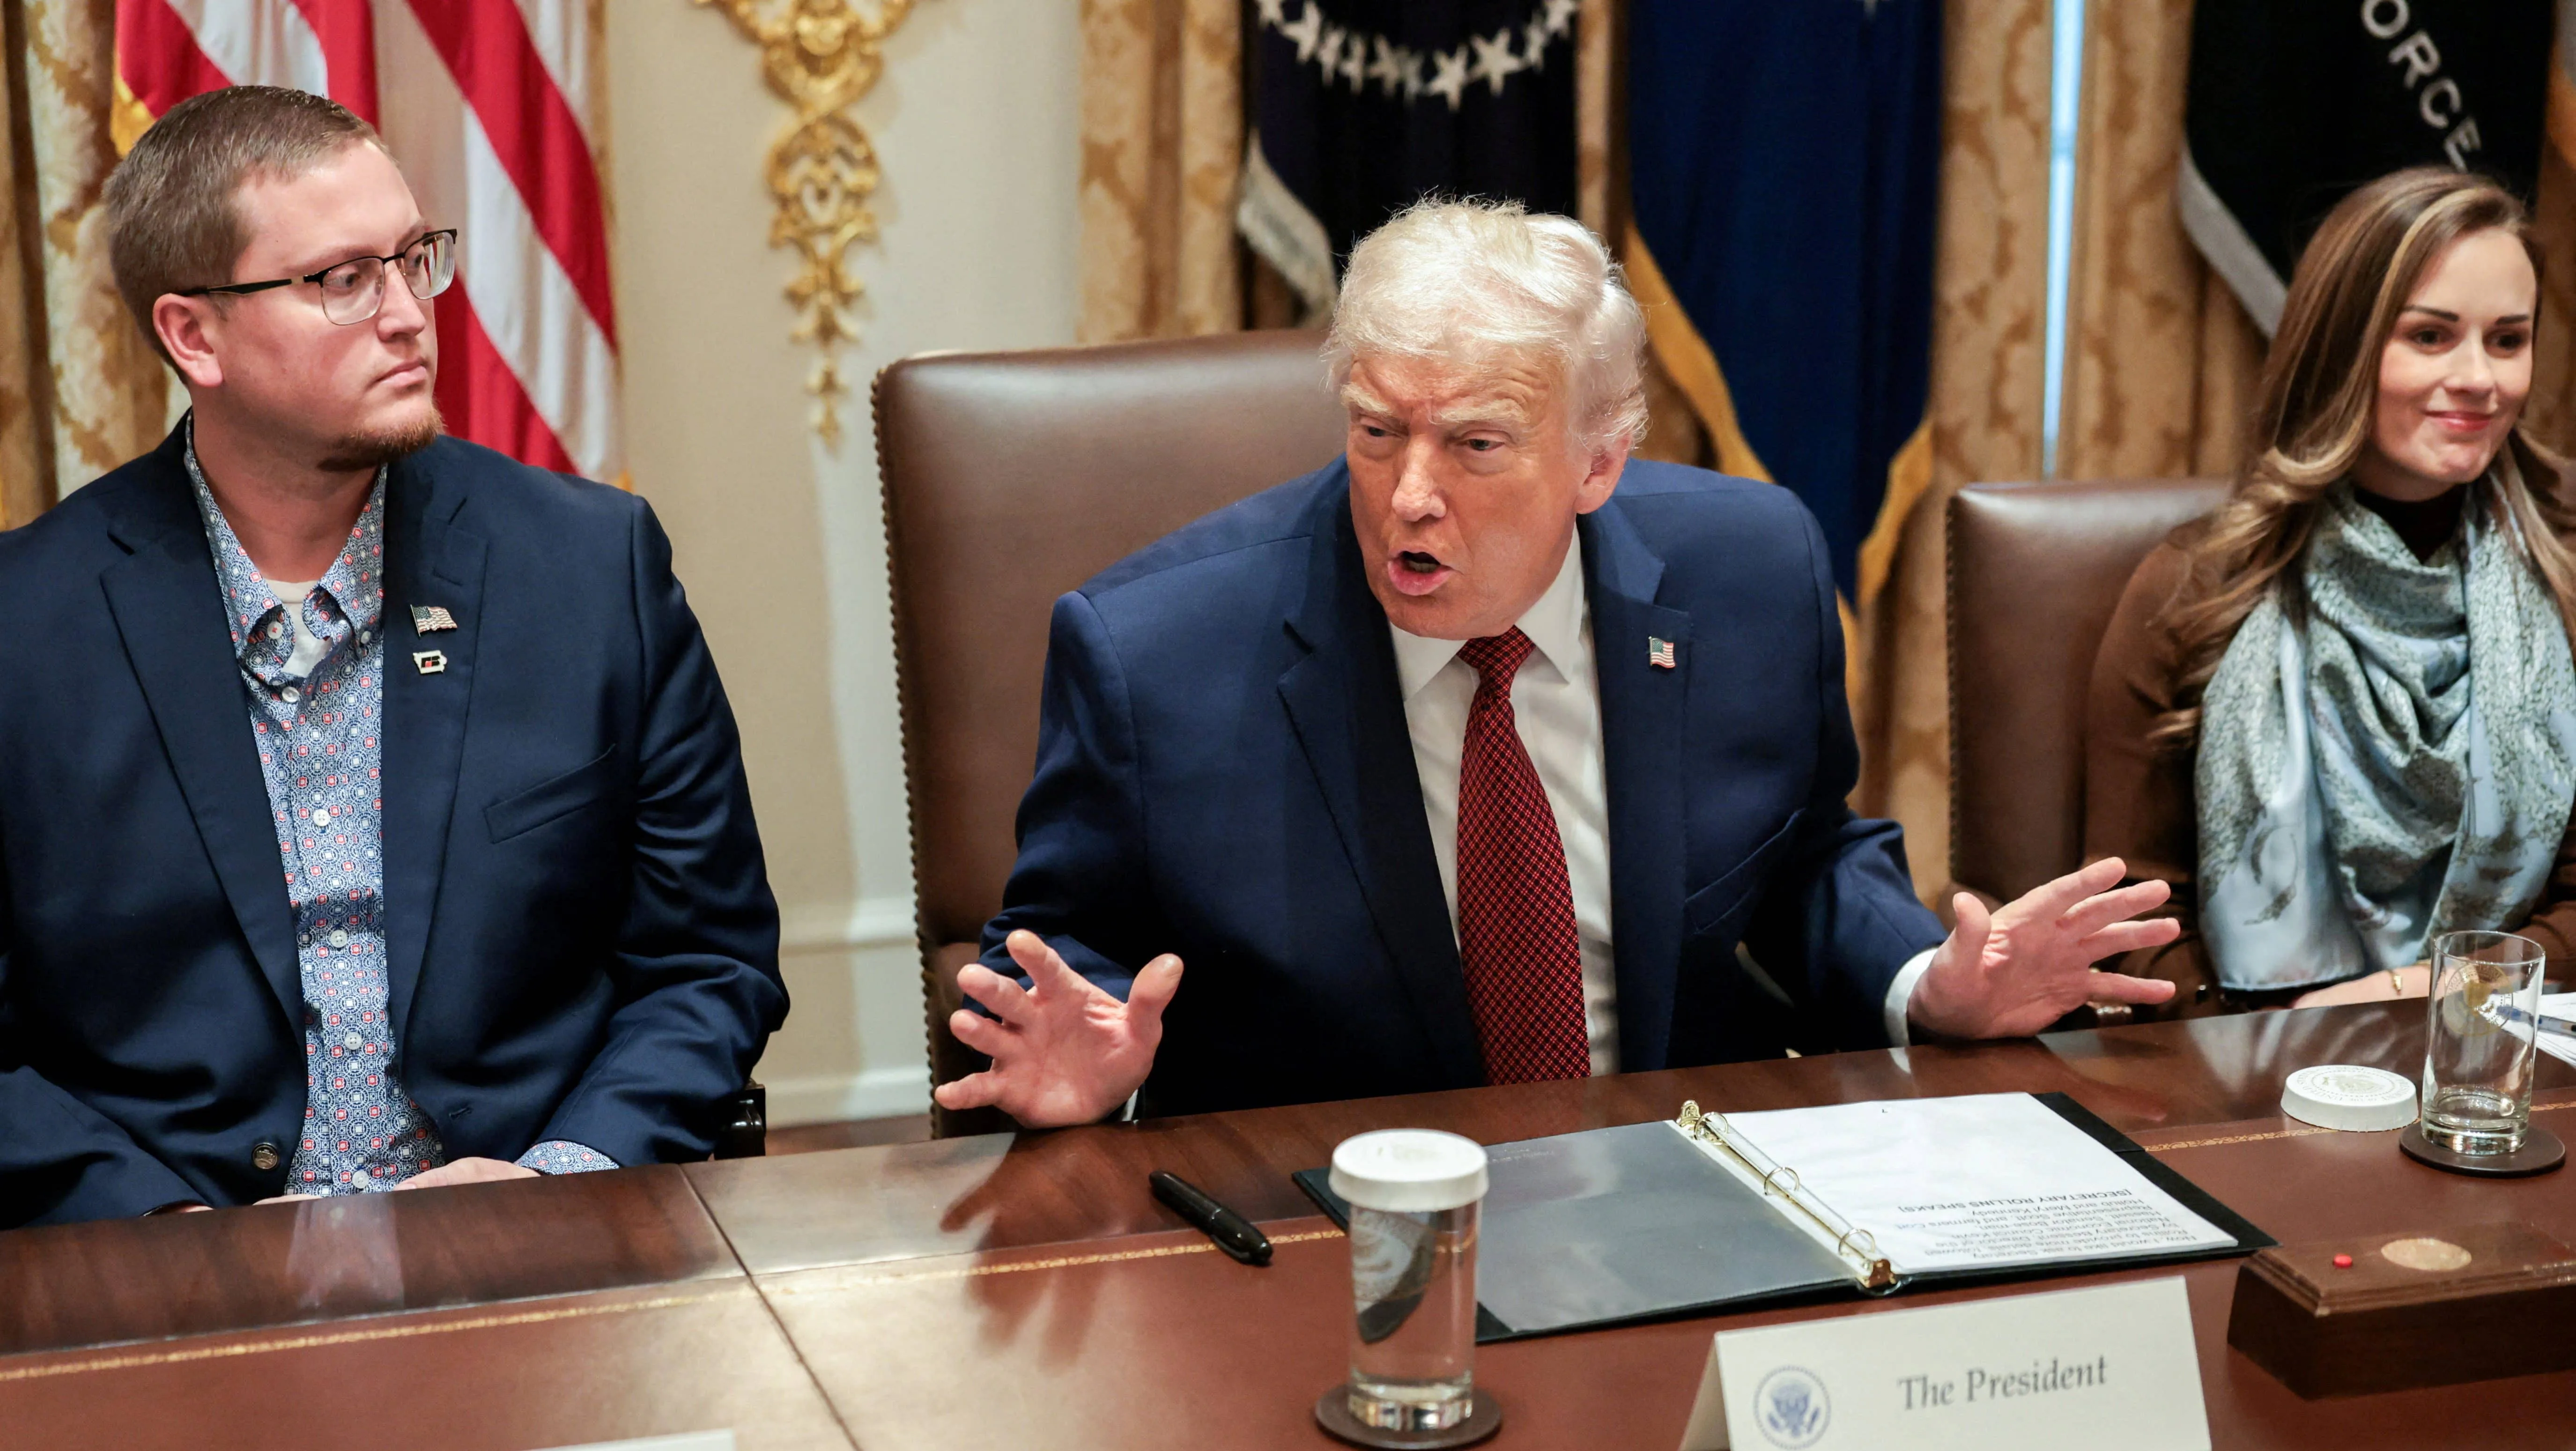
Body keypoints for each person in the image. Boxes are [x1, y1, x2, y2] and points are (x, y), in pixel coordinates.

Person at [933, 200, 2180, 1127]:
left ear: (1598, 461)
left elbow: (1801, 857)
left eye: (1475, 444)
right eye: (1376, 431)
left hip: (1674, 1193)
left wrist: (1923, 983)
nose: (1409, 496)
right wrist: (1091, 1061)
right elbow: (1060, 947)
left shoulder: (1748, 573)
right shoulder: (1152, 654)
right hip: (1326, 1225)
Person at [0, 86, 785, 1227]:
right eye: (343, 279)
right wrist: (177, 1240)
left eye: (416, 259)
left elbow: (708, 964)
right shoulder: (27, 626)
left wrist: (551, 1181)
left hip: (536, 1244)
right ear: (193, 335)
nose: (410, 313)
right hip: (170, 1267)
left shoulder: (588, 569)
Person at [2087, 167, 2574, 1015]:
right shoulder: (2199, 589)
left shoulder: (2563, 574)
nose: (2480, 378)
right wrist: (2282, 1042)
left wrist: (2420, 993)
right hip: (2241, 1053)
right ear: (2342, 347)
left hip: (2493, 1049)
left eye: (2507, 340)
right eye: (2430, 336)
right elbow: (2134, 915)